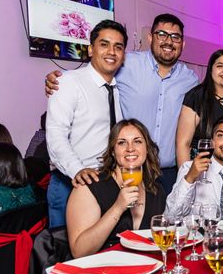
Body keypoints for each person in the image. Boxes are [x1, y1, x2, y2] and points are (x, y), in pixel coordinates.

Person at [45, 13, 199, 193]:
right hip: (82, 177)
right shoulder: (126, 65)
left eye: (175, 37)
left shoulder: (190, 80)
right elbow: (57, 133)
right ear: (150, 37)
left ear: (183, 43)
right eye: (162, 34)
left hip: (161, 173)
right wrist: (58, 81)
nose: (168, 41)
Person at [46, 19, 126, 228]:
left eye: (118, 47)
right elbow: (55, 135)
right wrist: (77, 170)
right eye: (104, 44)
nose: (111, 51)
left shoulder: (118, 89)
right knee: (66, 254)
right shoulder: (68, 82)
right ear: (91, 49)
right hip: (71, 182)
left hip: (106, 182)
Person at [66, 119, 166, 258]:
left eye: (137, 141)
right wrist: (118, 207)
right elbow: (80, 251)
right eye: (121, 142)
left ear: (147, 148)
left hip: (143, 270)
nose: (130, 148)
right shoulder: (89, 186)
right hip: (101, 272)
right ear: (113, 151)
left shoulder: (155, 190)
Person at [176, 49, 223, 166]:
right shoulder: (196, 97)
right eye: (220, 66)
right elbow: (183, 144)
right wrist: (187, 179)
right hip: (204, 172)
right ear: (211, 70)